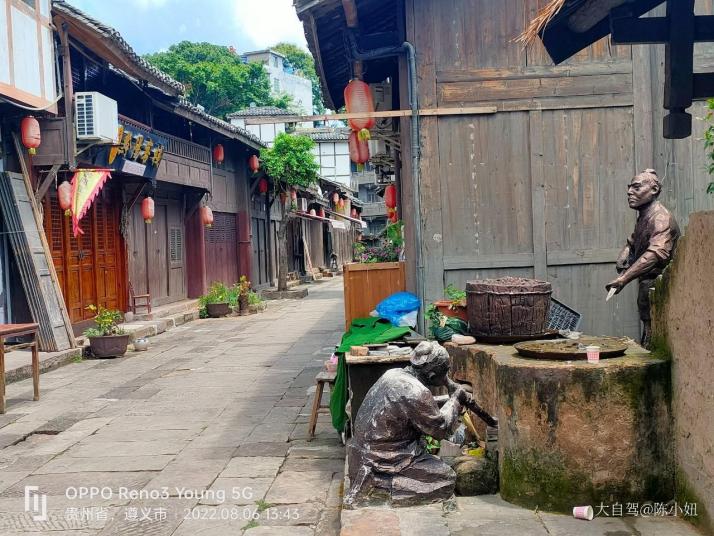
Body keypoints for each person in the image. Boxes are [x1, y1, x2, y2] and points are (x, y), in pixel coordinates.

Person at [345, 341, 472, 507]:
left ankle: (380, 482)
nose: (448, 376)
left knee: (434, 465)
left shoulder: (394, 373)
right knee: (447, 477)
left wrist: (450, 394)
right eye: (446, 372)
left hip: (361, 451)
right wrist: (455, 400)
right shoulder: (417, 392)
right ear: (432, 376)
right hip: (384, 458)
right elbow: (441, 429)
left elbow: (421, 409)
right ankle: (381, 487)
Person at [606, 169, 680, 348]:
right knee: (648, 328)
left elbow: (655, 254)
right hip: (647, 286)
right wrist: (627, 250)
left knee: (658, 336)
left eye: (636, 187)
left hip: (664, 288)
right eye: (629, 187)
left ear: (653, 190)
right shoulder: (645, 215)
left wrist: (624, 278)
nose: (629, 192)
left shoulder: (661, 218)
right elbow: (635, 238)